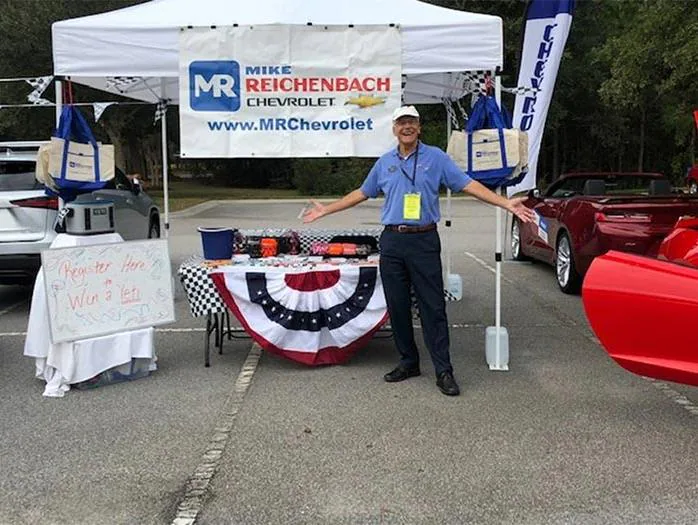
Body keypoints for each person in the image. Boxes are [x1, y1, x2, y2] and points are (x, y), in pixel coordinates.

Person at [303, 105, 535, 396]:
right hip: (392, 242)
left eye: (411, 122)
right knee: (397, 307)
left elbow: (469, 184)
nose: (407, 127)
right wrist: (326, 210)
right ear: (394, 128)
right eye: (402, 122)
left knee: (432, 307)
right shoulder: (385, 162)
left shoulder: (436, 157)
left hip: (424, 241)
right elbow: (361, 193)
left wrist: (504, 204)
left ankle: (443, 370)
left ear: (419, 127)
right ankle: (409, 361)